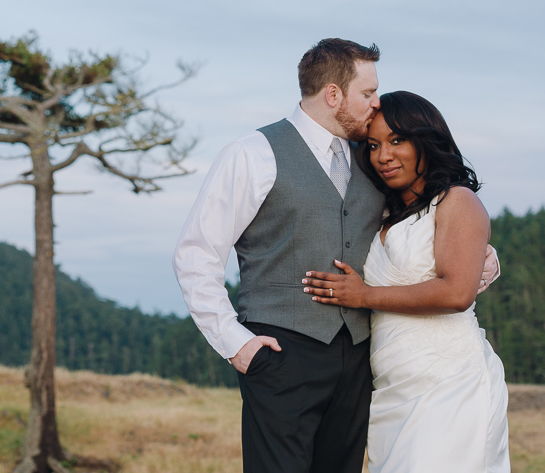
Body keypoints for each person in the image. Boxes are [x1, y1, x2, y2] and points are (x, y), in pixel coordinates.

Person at [172, 39, 499, 473]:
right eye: (367, 93)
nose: (375, 103)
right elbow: (196, 255)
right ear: (333, 94)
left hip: (361, 359)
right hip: (280, 351)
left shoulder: (370, 161)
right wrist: (238, 345)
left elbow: (417, 229)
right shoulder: (253, 153)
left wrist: (485, 258)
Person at [301, 91, 510, 472]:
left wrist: (364, 296)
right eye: (374, 145)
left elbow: (456, 292)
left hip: (450, 382)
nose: (383, 156)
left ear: (427, 140)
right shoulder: (383, 212)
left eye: (398, 141)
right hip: (392, 387)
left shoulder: (456, 201)